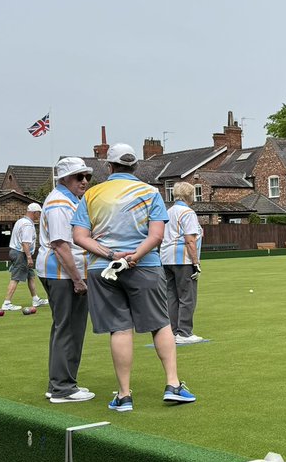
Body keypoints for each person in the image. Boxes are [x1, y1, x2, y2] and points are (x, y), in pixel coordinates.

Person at [72, 143, 195, 412]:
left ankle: (124, 395)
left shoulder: (91, 194)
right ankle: (173, 385)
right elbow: (157, 236)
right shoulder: (150, 192)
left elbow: (80, 237)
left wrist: (112, 255)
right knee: (160, 324)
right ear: (135, 166)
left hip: (103, 269)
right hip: (145, 266)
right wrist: (134, 256)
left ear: (109, 165)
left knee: (119, 328)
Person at [37, 157, 95, 404]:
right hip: (63, 274)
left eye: (86, 176)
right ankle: (63, 388)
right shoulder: (60, 203)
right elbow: (61, 245)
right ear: (64, 179)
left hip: (60, 272)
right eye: (78, 176)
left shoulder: (67, 200)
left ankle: (58, 383)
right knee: (70, 328)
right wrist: (77, 280)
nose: (84, 181)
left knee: (64, 327)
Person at [160, 182, 204, 345]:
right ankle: (184, 332)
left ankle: (172, 331)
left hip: (166, 258)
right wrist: (196, 262)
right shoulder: (188, 212)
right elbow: (190, 240)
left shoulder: (168, 211)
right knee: (187, 296)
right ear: (189, 195)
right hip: (183, 259)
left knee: (172, 295)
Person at [2, 203, 48, 311]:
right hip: (20, 253)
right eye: (39, 213)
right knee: (16, 277)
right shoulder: (27, 225)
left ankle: (35, 299)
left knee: (31, 276)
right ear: (34, 212)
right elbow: (25, 243)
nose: (39, 215)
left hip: (16, 252)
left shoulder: (20, 221)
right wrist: (29, 257)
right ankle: (7, 303)